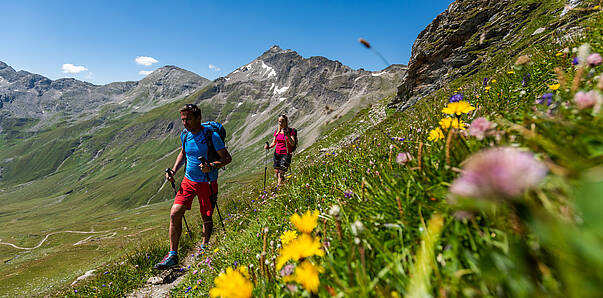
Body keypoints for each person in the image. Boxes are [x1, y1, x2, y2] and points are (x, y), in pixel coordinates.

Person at [154, 103, 232, 270]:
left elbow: (226, 158)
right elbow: (183, 152)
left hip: (207, 181)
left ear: (198, 118)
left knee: (207, 216)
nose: (185, 123)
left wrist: (211, 166)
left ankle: (204, 248)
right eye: (183, 119)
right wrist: (174, 170)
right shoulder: (185, 135)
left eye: (188, 119)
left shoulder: (211, 136)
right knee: (175, 213)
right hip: (188, 181)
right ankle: (172, 255)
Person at [264, 114, 296, 186]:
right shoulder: (277, 132)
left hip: (286, 154)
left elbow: (292, 143)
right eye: (279, 121)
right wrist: (268, 147)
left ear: (286, 122)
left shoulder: (291, 131)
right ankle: (285, 185)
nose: (280, 123)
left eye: (282, 121)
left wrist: (288, 135)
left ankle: (278, 189)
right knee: (277, 172)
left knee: (281, 173)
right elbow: (274, 143)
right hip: (277, 154)